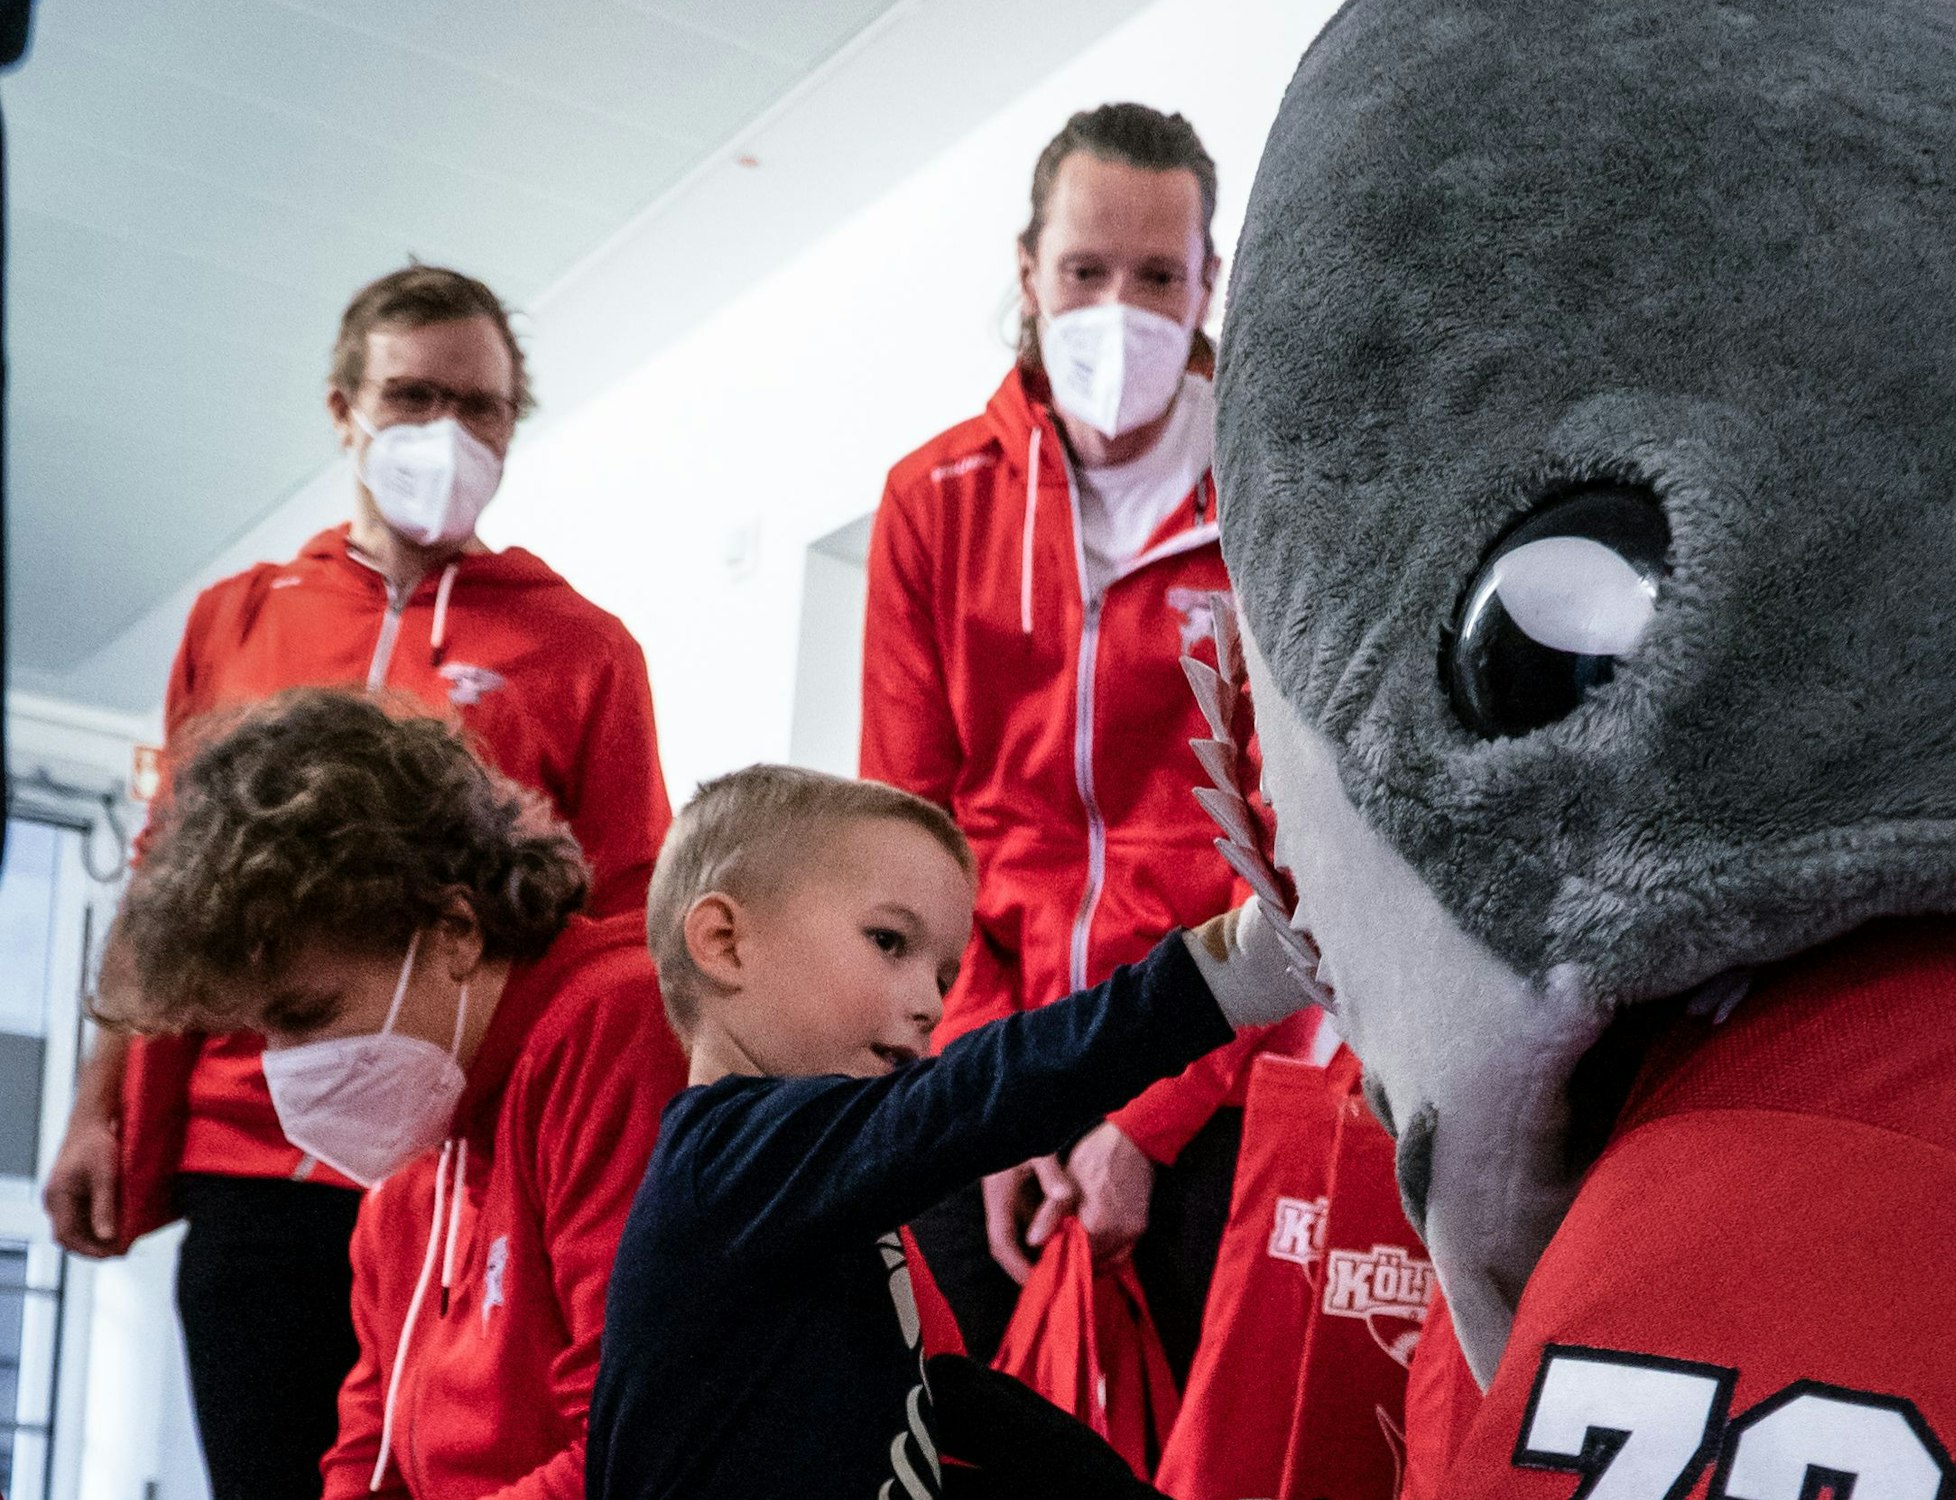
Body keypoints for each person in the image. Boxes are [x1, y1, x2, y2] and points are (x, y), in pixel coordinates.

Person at [41, 264, 672, 1500]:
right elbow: (166, 878)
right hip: (245, 1146)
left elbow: (619, 907)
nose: (448, 431)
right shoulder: (237, 618)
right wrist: (97, 1108)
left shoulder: (582, 648)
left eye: (481, 405)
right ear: (345, 409)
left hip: (457, 1140)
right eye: (413, 396)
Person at [587, 765, 1309, 1500]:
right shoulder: (725, 1160)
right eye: (889, 941)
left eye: (943, 974)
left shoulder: (805, 1188)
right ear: (725, 942)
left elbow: (945, 1405)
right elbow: (969, 1095)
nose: (932, 1006)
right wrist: (1221, 976)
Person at [862, 102, 1272, 1371]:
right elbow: (902, 835)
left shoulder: (1275, 495)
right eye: (1085, 271)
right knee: (956, 1428)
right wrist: (995, 1091)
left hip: (1209, 1066)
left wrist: (1148, 1119)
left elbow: (1295, 844)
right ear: (1028, 270)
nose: (1118, 310)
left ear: (1208, 282)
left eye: (1157, 277)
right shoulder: (932, 502)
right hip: (978, 1058)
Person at [92, 690, 688, 1500]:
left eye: (308, 1015)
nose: (286, 1069)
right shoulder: (413, 1166)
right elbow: (365, 1457)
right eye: (264, 1033)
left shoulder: (615, 1025)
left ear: (454, 930)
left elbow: (638, 1446)